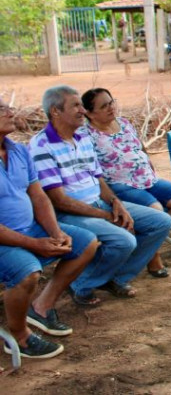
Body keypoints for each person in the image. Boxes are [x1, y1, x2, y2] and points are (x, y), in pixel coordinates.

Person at [28, 86, 171, 303]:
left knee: (160, 221)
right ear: (55, 111)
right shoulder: (41, 146)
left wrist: (116, 204)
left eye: (81, 105)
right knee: (124, 240)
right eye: (75, 106)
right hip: (69, 213)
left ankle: (115, 277)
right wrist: (106, 216)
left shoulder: (82, 138)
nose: (82, 110)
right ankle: (81, 284)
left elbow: (99, 179)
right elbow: (58, 200)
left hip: (97, 204)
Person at [0, 98, 98, 359]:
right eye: (1, 109)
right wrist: (33, 244)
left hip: (29, 229)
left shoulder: (18, 151)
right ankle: (19, 337)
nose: (10, 112)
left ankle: (40, 307)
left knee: (86, 242)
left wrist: (55, 231)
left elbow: (39, 197)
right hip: (5, 240)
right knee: (27, 272)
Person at [82, 88, 171, 277]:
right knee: (157, 211)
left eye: (111, 102)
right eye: (104, 106)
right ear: (90, 113)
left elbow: (139, 146)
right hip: (120, 184)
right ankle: (153, 258)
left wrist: (147, 163)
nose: (111, 107)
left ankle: (145, 245)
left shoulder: (124, 123)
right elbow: (93, 171)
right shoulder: (87, 135)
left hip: (147, 178)